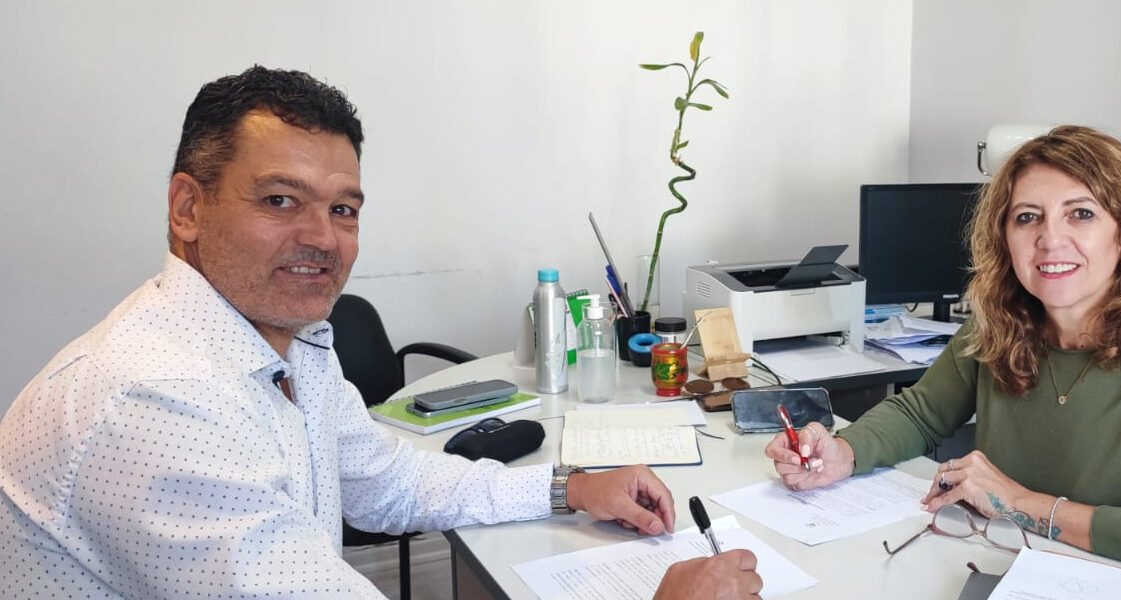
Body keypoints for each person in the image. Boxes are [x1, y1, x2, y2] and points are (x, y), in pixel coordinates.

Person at [0, 66, 762, 600]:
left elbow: (389, 483)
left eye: (343, 209)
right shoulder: (152, 401)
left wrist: (571, 487)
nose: (322, 238)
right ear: (188, 208)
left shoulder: (291, 340)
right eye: (279, 200)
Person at [767, 125, 1121, 596]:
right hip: (1048, 572)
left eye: (1081, 213)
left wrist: (1018, 503)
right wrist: (843, 452)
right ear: (1004, 237)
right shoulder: (1001, 322)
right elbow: (919, 413)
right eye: (1027, 217)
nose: (1049, 239)